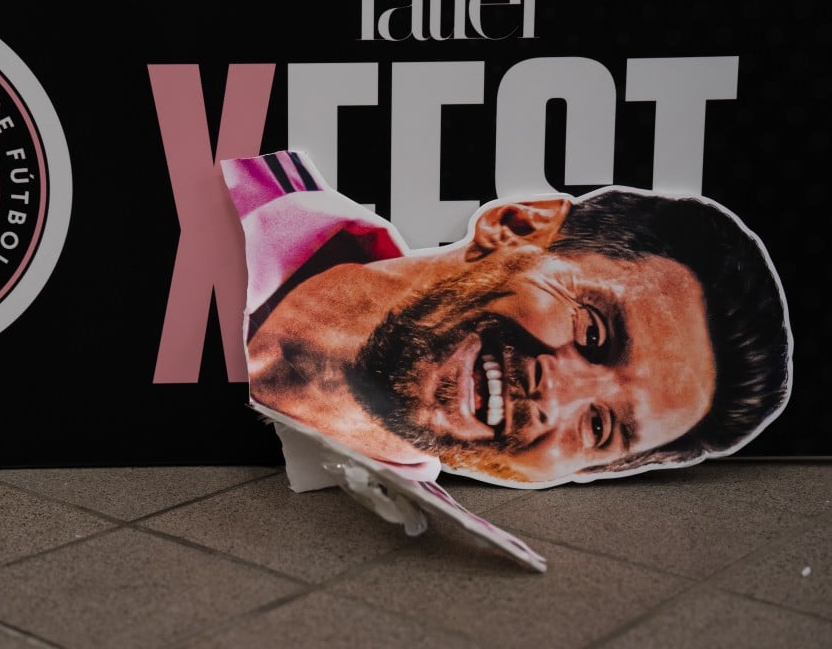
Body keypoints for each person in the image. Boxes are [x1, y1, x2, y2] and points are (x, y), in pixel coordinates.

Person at [221, 150, 792, 488]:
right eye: (594, 332)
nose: (557, 394)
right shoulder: (242, 188)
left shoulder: (402, 513)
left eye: (599, 428)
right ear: (517, 226)